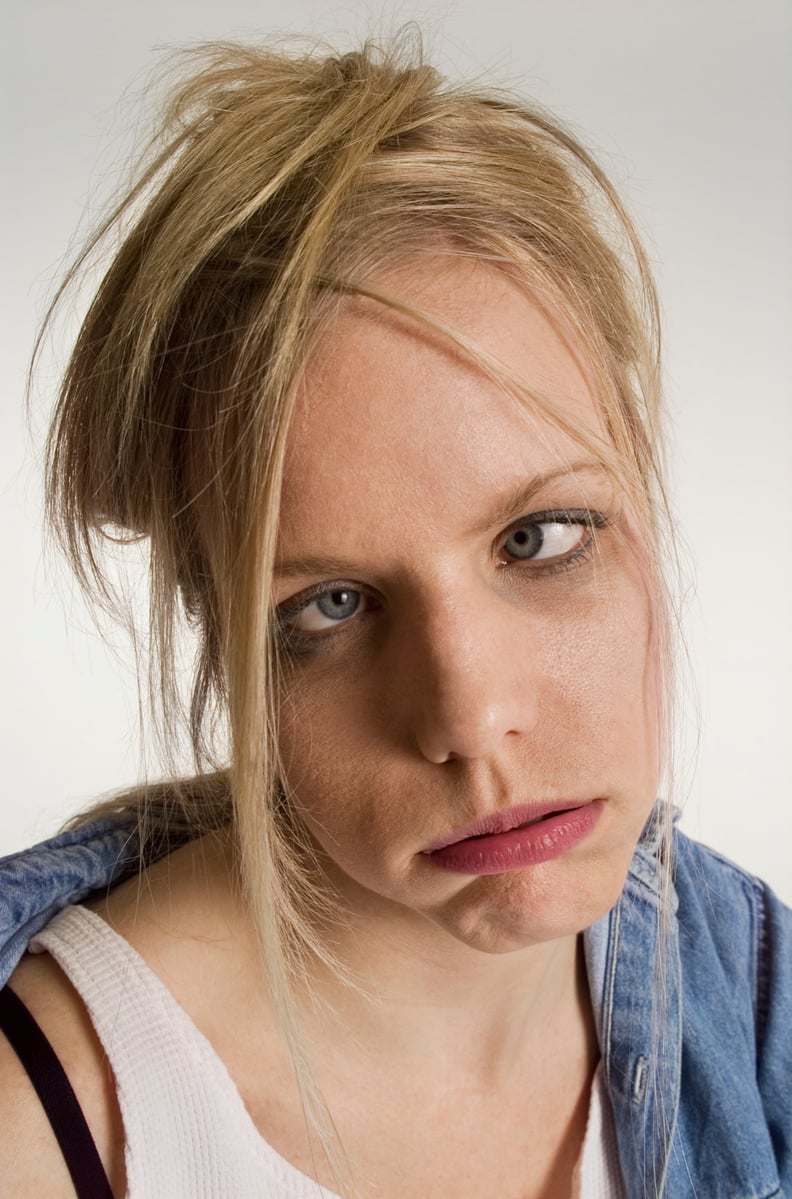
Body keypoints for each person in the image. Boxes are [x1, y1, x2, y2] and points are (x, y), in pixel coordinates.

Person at [0, 35, 789, 1199]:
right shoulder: (45, 1118)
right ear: (229, 645)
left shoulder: (748, 985)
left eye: (541, 537)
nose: (469, 720)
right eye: (331, 605)